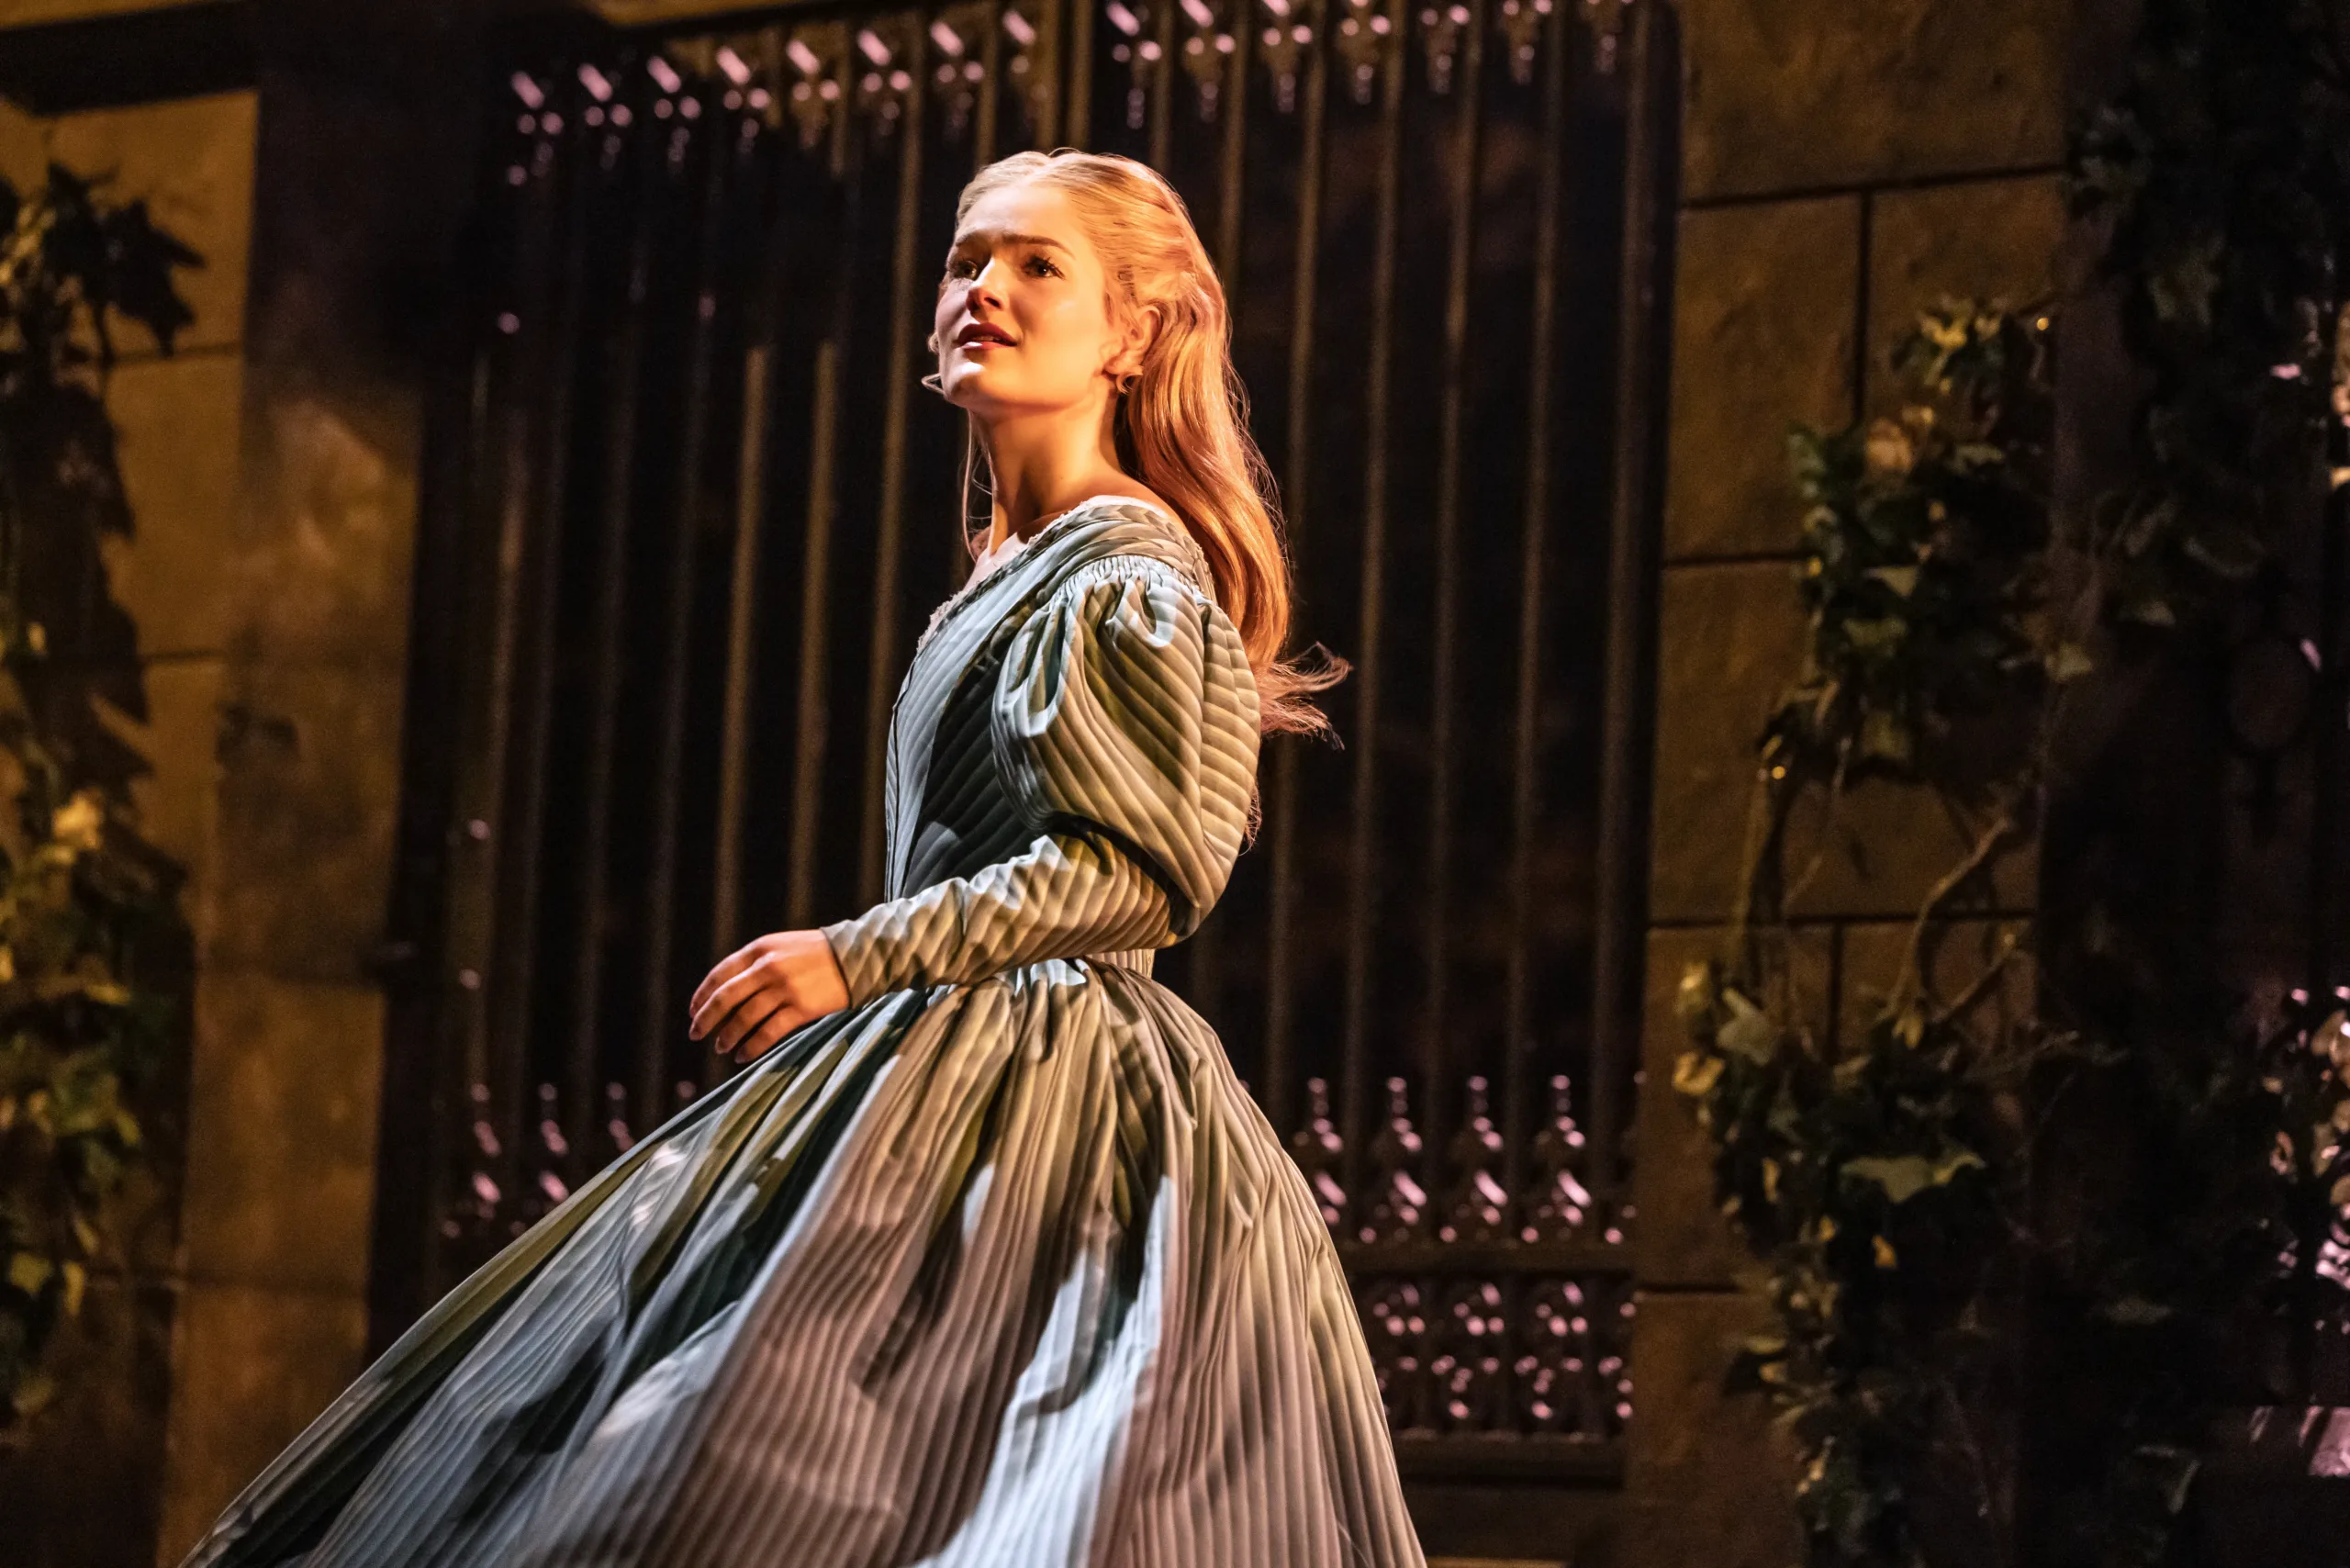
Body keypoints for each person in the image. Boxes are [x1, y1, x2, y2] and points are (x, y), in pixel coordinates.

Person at [178, 148, 1425, 1568]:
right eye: (968, 260)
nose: (985, 291)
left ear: (1132, 334)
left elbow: (1145, 875)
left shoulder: (1125, 573)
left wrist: (858, 954)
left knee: (827, 1475)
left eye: (1036, 264)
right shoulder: (1018, 563)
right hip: (938, 1065)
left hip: (1049, 1103)